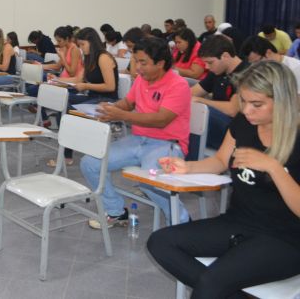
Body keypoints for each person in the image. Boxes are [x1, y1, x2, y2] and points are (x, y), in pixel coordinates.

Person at [148, 61, 300, 299]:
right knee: (160, 242)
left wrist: (273, 167)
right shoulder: (244, 123)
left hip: (286, 238)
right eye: (243, 101)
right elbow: (220, 161)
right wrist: (187, 167)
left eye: (257, 104)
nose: (247, 110)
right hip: (239, 222)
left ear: (282, 101)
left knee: (210, 284)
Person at [80, 37, 191, 227]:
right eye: (136, 61)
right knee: (90, 163)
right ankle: (115, 211)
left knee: (149, 181)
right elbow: (128, 103)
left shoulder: (177, 85)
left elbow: (161, 120)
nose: (138, 68)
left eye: (143, 63)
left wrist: (122, 115)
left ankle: (181, 221)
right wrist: (110, 109)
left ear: (160, 63)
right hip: (139, 139)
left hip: (167, 144)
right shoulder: (142, 79)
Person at [47, 27, 118, 167]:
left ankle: (66, 155)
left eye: (83, 44)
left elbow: (110, 86)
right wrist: (56, 79)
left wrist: (86, 86)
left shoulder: (103, 57)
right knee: (62, 102)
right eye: (79, 45)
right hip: (93, 97)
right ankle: (69, 147)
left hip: (106, 100)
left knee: (67, 109)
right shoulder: (89, 58)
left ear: (92, 42)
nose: (81, 48)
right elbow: (77, 79)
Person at [192, 35, 248, 150]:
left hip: (237, 129)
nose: (207, 67)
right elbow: (192, 92)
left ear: (225, 56)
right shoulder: (217, 71)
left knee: (200, 111)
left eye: (210, 62)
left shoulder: (247, 73)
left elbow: (232, 110)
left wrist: (201, 101)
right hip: (220, 125)